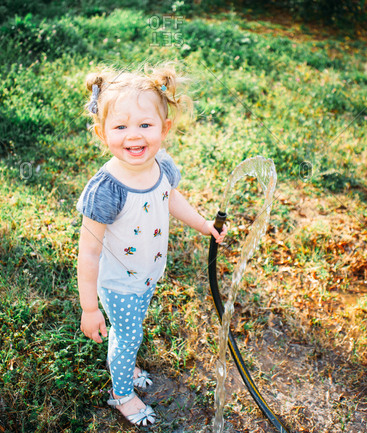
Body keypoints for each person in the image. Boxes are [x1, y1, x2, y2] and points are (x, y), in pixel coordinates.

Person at [76, 64, 227, 427]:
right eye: (121, 127)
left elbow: (170, 197)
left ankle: (123, 362)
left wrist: (203, 224)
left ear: (165, 128)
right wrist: (89, 308)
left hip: (147, 273)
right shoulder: (107, 190)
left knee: (131, 330)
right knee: (128, 334)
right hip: (119, 282)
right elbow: (89, 251)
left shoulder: (161, 164)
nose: (134, 136)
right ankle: (122, 394)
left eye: (145, 125)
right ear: (101, 131)